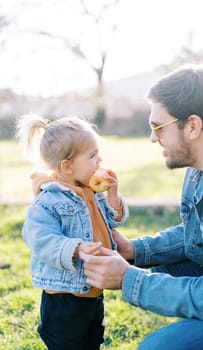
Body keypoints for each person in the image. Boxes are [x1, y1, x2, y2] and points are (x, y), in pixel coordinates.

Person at [80, 64, 203, 349]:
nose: (152, 138)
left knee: (156, 348)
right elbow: (197, 235)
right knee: (164, 264)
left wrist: (128, 279)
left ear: (192, 126)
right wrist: (135, 251)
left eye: (157, 127)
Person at [16, 114, 128, 350]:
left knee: (92, 340)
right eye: (92, 156)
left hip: (92, 290)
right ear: (67, 166)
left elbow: (113, 219)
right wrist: (75, 248)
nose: (100, 160)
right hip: (64, 296)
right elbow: (39, 239)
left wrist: (113, 196)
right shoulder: (48, 200)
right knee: (66, 343)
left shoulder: (91, 190)